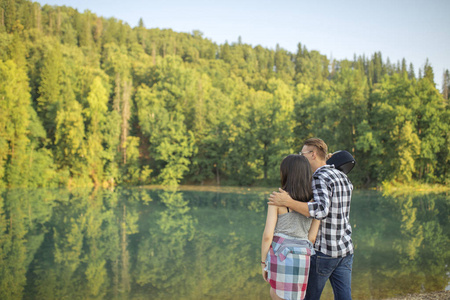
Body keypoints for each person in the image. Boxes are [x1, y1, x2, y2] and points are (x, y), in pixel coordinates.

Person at [268, 138, 354, 300]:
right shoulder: (342, 176)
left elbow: (321, 211)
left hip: (324, 251)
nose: (301, 157)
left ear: (313, 154)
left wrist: (288, 202)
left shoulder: (318, 177)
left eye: (303, 154)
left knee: (309, 297)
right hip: (345, 249)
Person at [261, 154, 321, 300]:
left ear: (287, 173)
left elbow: (268, 235)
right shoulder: (314, 203)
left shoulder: (277, 200)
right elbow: (311, 238)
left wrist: (263, 262)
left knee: (276, 294)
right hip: (303, 257)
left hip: (280, 255)